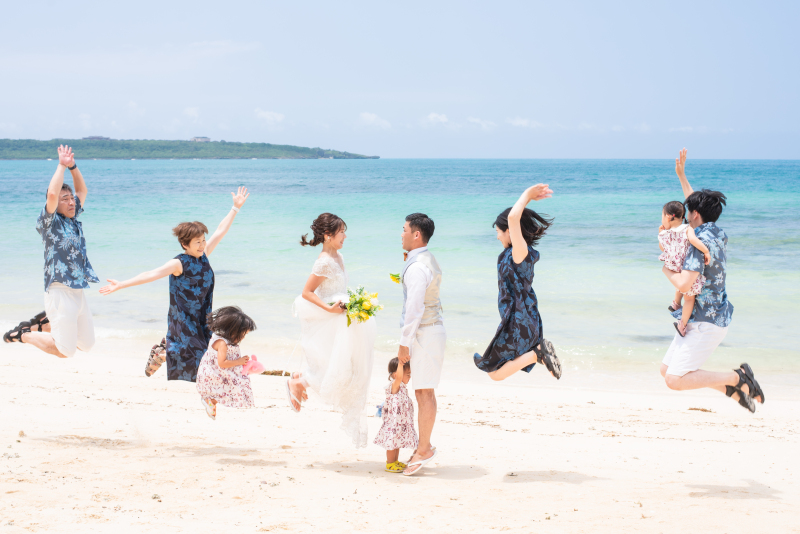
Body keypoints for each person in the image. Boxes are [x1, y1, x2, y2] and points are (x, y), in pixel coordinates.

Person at [99, 187, 249, 382]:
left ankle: (163, 350)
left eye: (203, 240)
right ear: (185, 244)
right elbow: (151, 274)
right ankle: (163, 353)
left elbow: (220, 231)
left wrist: (235, 208)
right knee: (198, 355)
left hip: (203, 314)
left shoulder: (203, 256)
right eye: (197, 242)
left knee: (204, 354)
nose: (203, 245)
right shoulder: (178, 263)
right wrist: (121, 284)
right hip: (183, 316)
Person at [661, 148, 765, 412]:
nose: (684, 216)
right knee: (666, 370)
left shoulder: (697, 243)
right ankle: (732, 390)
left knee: (674, 379)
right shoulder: (715, 232)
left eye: (687, 212)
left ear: (694, 215)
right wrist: (682, 176)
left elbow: (684, 285)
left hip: (706, 322)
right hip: (705, 317)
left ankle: (738, 377)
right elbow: (696, 207)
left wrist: (666, 270)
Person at [286, 213, 377, 448]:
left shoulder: (339, 256)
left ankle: (300, 380)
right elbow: (307, 292)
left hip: (344, 319)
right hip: (331, 319)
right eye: (341, 232)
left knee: (347, 368)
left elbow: (341, 287)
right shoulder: (324, 261)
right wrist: (329, 309)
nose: (345, 236)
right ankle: (299, 382)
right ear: (328, 235)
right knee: (335, 368)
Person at [4, 146, 100, 358]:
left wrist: (73, 166)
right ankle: (23, 334)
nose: (71, 202)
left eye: (71, 199)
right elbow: (53, 193)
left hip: (78, 289)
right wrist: (61, 165)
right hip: (58, 290)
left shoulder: (73, 219)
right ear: (55, 205)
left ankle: (45, 323)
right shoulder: (50, 222)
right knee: (66, 351)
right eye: (65, 199)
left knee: (87, 344)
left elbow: (82, 191)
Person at [473, 184, 562, 381]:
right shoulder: (510, 254)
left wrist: (528, 195)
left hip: (519, 322)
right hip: (517, 321)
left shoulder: (520, 253)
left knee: (494, 374)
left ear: (510, 232)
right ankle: (537, 353)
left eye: (498, 231)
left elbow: (513, 217)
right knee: (494, 372)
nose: (497, 236)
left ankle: (537, 353)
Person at [397, 213, 446, 476]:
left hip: (425, 333)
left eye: (404, 230)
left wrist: (404, 344)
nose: (401, 234)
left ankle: (424, 448)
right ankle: (422, 445)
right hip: (429, 331)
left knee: (424, 392)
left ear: (417, 235)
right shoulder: (424, 259)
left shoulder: (418, 266)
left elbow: (414, 309)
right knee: (422, 392)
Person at [658, 200, 711, 337]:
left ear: (669, 217)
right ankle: (682, 325)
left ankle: (676, 303)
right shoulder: (687, 229)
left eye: (662, 216)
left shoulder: (664, 233)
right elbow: (694, 241)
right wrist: (706, 251)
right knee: (689, 299)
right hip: (686, 268)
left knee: (680, 287)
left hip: (673, 266)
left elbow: (662, 249)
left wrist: (661, 235)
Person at [196, 306, 258, 420]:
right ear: (234, 331)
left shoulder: (227, 341)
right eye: (243, 334)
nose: (243, 338)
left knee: (233, 390)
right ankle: (208, 401)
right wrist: (238, 361)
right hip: (213, 374)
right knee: (233, 390)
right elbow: (222, 363)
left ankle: (211, 403)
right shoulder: (222, 343)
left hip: (218, 372)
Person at [373, 357, 418, 474]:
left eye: (410, 374)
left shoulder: (403, 387)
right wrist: (401, 363)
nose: (409, 376)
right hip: (393, 423)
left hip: (400, 422)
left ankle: (395, 461)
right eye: (407, 373)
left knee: (397, 442)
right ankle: (390, 463)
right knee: (392, 442)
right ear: (395, 375)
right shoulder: (394, 385)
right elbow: (399, 378)